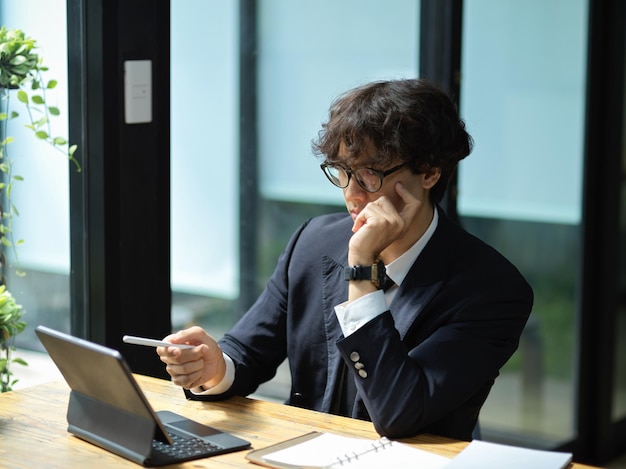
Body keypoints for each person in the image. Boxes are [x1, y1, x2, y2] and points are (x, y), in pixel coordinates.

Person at [157, 78, 533, 441]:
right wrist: (216, 367)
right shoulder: (313, 241)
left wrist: (362, 269)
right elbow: (247, 351)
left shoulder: (491, 289)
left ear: (430, 172)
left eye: (370, 174)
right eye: (343, 171)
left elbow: (399, 412)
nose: (352, 194)